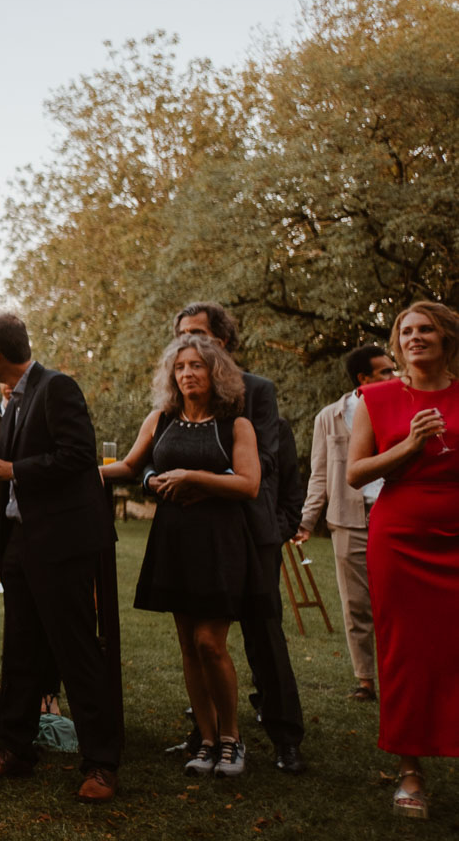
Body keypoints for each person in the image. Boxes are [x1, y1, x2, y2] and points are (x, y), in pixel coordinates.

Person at [0, 313, 121, 802]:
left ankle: (101, 764)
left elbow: (79, 455)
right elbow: (4, 463)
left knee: (75, 650)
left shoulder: (57, 387)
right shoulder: (13, 399)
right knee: (21, 651)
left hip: (63, 542)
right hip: (20, 543)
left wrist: (17, 468)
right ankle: (15, 750)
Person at [103, 335, 267, 777]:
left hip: (220, 540)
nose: (188, 374)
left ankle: (232, 740)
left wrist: (194, 476)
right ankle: (207, 740)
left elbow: (249, 484)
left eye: (197, 365)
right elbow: (130, 468)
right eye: (180, 367)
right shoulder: (160, 419)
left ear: (216, 372)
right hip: (173, 539)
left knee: (210, 643)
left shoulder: (236, 425)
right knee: (188, 647)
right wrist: (80, 470)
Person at [173, 301, 306, 774]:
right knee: (200, 639)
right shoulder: (177, 387)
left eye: (199, 334)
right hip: (196, 534)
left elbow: (267, 461)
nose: (189, 343)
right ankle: (206, 734)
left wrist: (204, 485)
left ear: (223, 341)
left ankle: (286, 737)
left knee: (263, 634)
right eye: (183, 336)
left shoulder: (257, 392)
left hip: (249, 529)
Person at [347, 300, 459, 820]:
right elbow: (357, 473)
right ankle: (411, 771)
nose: (414, 338)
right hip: (400, 539)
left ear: (446, 338)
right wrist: (411, 444)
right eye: (406, 331)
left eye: (426, 330)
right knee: (407, 652)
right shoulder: (375, 397)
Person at [295, 344, 396, 700]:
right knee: (356, 604)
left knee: (397, 602)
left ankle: (399, 677)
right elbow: (319, 473)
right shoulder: (330, 416)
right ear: (362, 379)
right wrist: (307, 520)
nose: (393, 375)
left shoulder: (401, 406)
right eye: (385, 371)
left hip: (394, 515)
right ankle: (366, 680)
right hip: (348, 519)